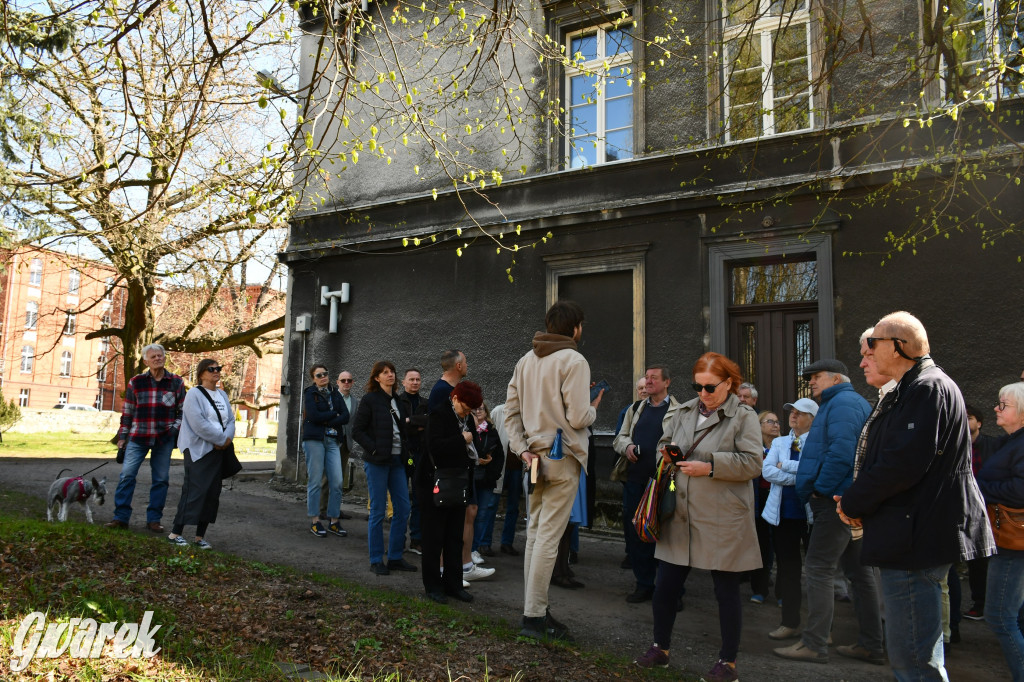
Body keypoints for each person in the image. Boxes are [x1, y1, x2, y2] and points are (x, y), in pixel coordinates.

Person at [838, 311, 994, 681]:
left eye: (873, 345)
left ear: (898, 346)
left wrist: (853, 501)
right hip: (910, 533)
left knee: (914, 659)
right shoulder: (914, 387)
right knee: (913, 653)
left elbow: (902, 464)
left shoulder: (927, 388)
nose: (868, 355)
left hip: (915, 537)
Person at [634, 352, 761, 682]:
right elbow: (665, 441)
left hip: (723, 515)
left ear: (729, 383)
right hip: (681, 511)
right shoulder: (684, 411)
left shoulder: (744, 416)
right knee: (665, 587)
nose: (703, 394)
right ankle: (660, 648)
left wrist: (712, 466)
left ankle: (728, 664)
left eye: (710, 387)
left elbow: (753, 463)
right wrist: (669, 453)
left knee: (726, 591)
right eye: (697, 386)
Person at [504, 300, 603, 641]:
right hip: (562, 458)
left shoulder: (525, 361)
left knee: (535, 534)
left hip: (533, 458)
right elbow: (577, 418)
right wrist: (592, 410)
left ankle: (535, 610)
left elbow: (510, 414)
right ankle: (534, 616)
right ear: (575, 327)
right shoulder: (574, 359)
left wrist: (521, 449)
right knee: (548, 536)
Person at [776, 358, 883, 665]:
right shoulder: (843, 403)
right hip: (846, 499)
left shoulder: (843, 404)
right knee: (859, 574)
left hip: (835, 500)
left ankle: (814, 644)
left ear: (837, 378)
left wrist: (821, 488)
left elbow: (842, 451)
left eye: (816, 376)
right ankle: (871, 645)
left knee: (819, 568)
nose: (811, 381)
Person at [613, 365, 681, 603]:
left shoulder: (680, 412)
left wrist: (670, 455)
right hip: (635, 481)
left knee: (668, 536)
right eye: (647, 378)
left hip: (667, 484)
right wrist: (627, 447)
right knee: (637, 533)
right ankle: (644, 584)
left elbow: (686, 447)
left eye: (654, 378)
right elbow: (620, 438)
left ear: (667, 382)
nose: (649, 382)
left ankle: (671, 591)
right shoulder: (635, 409)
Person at [417, 381, 485, 603]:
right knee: (433, 537)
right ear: (455, 398)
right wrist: (461, 440)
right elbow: (434, 447)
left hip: (458, 483)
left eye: (471, 409)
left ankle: (453, 584)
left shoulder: (466, 418)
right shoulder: (438, 415)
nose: (468, 412)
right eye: (465, 407)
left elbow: (472, 444)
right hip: (435, 485)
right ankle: (433, 585)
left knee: (455, 537)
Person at [107, 343, 186, 532]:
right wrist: (123, 436)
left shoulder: (176, 382)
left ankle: (154, 520)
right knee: (127, 475)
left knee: (161, 480)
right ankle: (121, 518)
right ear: (145, 361)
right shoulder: (136, 382)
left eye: (161, 355)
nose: (158, 358)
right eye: (154, 357)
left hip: (164, 438)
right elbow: (128, 411)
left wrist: (173, 430)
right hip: (137, 437)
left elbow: (183, 412)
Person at [977, 382, 1024, 682]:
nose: (996, 407)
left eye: (1003, 404)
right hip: (1008, 539)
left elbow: (1020, 490)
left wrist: (980, 489)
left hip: (1013, 542)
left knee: (999, 616)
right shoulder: (1011, 442)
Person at [352, 361, 417, 575]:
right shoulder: (370, 400)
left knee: (403, 509)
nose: (390, 375)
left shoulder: (398, 400)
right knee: (378, 511)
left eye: (392, 372)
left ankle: (396, 557)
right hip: (377, 463)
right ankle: (376, 559)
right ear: (377, 378)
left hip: (398, 462)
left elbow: (402, 431)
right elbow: (358, 431)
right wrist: (374, 450)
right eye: (385, 372)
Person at [761, 398, 817, 639]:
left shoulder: (817, 443)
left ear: (812, 419)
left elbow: (815, 472)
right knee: (788, 569)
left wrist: (786, 466)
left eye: (800, 413)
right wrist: (798, 473)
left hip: (812, 515)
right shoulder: (781, 441)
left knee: (817, 572)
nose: (793, 416)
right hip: (783, 514)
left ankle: (822, 629)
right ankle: (789, 622)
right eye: (792, 412)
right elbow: (767, 470)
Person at [168, 359, 234, 550]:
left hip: (219, 450)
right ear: (201, 374)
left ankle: (199, 537)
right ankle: (175, 533)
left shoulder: (222, 394)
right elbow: (198, 423)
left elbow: (230, 420)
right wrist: (220, 440)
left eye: (218, 368)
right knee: (194, 491)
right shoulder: (194, 394)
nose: (216, 371)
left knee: (212, 493)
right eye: (211, 369)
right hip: (199, 450)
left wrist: (226, 439)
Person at [302, 364, 348, 538]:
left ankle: (334, 521)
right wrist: (333, 415)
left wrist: (329, 418)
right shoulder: (310, 393)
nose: (323, 377)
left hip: (333, 441)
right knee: (315, 481)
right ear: (313, 378)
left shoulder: (335, 393)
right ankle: (315, 521)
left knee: (337, 481)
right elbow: (313, 416)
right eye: (318, 375)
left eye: (325, 373)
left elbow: (346, 416)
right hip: (314, 440)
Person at [964, 403, 1000, 620]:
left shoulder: (993, 446)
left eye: (970, 417)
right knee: (975, 559)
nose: (966, 421)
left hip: (989, 509)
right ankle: (980, 604)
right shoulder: (954, 445)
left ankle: (989, 605)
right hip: (965, 509)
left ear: (979, 422)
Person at [750, 410, 781, 604]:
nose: (775, 425)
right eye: (770, 421)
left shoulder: (785, 445)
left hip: (779, 497)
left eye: (777, 422)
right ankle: (759, 589)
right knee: (762, 545)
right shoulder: (754, 448)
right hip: (759, 498)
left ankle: (783, 593)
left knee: (782, 546)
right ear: (759, 426)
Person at [399, 368, 429, 554]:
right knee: (401, 499)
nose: (415, 382)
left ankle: (416, 539)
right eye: (411, 379)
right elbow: (400, 424)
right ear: (404, 382)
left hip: (420, 455)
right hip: (403, 454)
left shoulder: (426, 403)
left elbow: (430, 422)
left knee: (419, 499)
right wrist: (413, 424)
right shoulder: (397, 401)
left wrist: (412, 421)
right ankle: (399, 539)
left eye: (418, 379)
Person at [471, 402, 505, 558]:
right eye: (475, 409)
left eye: (481, 408)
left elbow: (499, 456)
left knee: (481, 515)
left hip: (486, 480)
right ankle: (466, 551)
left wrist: (493, 474)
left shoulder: (492, 432)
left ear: (486, 412)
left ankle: (475, 550)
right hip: (470, 479)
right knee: (468, 516)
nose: (478, 411)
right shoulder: (467, 430)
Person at [320, 370, 356, 519]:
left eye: (349, 380)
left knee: (339, 478)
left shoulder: (354, 401)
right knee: (328, 477)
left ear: (352, 383)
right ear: (337, 382)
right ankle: (322, 510)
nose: (346, 383)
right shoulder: (330, 399)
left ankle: (334, 509)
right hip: (331, 442)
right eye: (343, 380)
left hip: (346, 443)